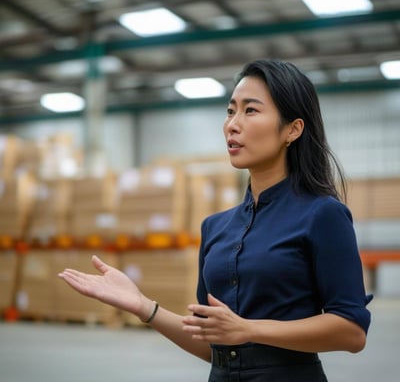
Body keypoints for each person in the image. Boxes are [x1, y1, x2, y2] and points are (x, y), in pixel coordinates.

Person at [58, 59, 372, 382]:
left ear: (293, 129)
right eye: (230, 111)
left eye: (250, 111)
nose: (232, 124)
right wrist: (143, 307)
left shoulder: (322, 215)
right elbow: (212, 344)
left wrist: (249, 329)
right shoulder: (216, 228)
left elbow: (351, 331)